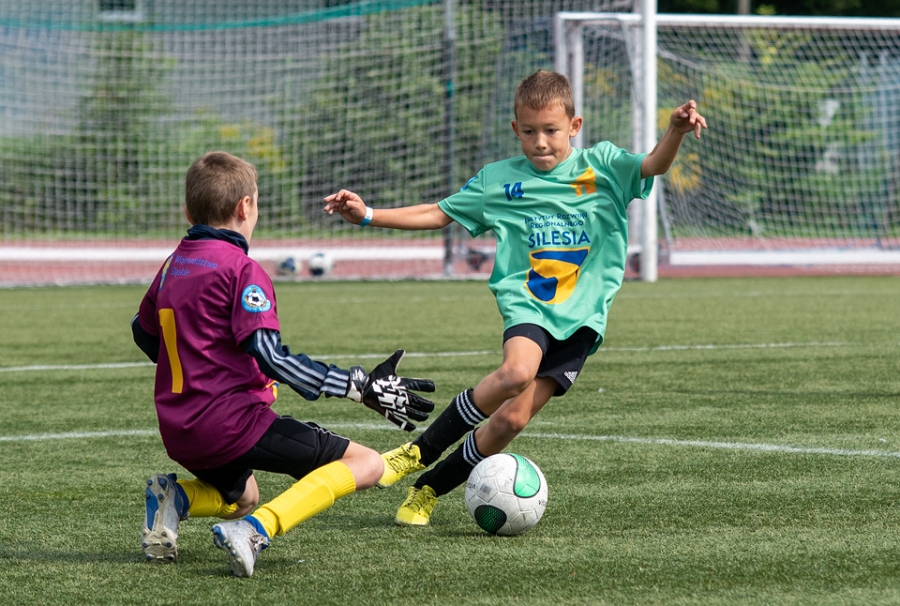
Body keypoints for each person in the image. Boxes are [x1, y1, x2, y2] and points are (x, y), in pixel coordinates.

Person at [323, 70, 706, 526]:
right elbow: (437, 212)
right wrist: (368, 214)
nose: (540, 142)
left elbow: (653, 165)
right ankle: (416, 452)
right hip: (529, 302)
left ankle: (427, 489)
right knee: (516, 373)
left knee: (512, 421)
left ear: (575, 126)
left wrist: (675, 132)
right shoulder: (499, 180)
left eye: (551, 131)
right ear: (514, 130)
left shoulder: (603, 166)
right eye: (529, 132)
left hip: (584, 317)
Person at [132, 151, 435, 577]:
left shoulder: (172, 264)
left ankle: (175, 498)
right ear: (246, 207)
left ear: (188, 210)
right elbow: (270, 356)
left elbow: (142, 331)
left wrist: (197, 365)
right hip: (231, 426)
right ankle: (254, 532)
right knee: (367, 463)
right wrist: (356, 385)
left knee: (243, 495)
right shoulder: (241, 270)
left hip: (179, 430)